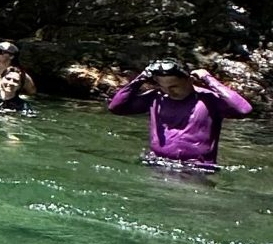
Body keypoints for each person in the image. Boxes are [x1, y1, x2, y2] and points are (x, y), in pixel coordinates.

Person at [108, 59, 253, 168]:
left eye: (174, 86)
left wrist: (209, 80)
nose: (169, 91)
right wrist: (140, 79)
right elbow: (116, 108)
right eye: (163, 86)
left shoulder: (208, 100)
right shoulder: (156, 98)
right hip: (157, 164)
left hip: (198, 169)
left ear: (189, 80)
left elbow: (244, 110)